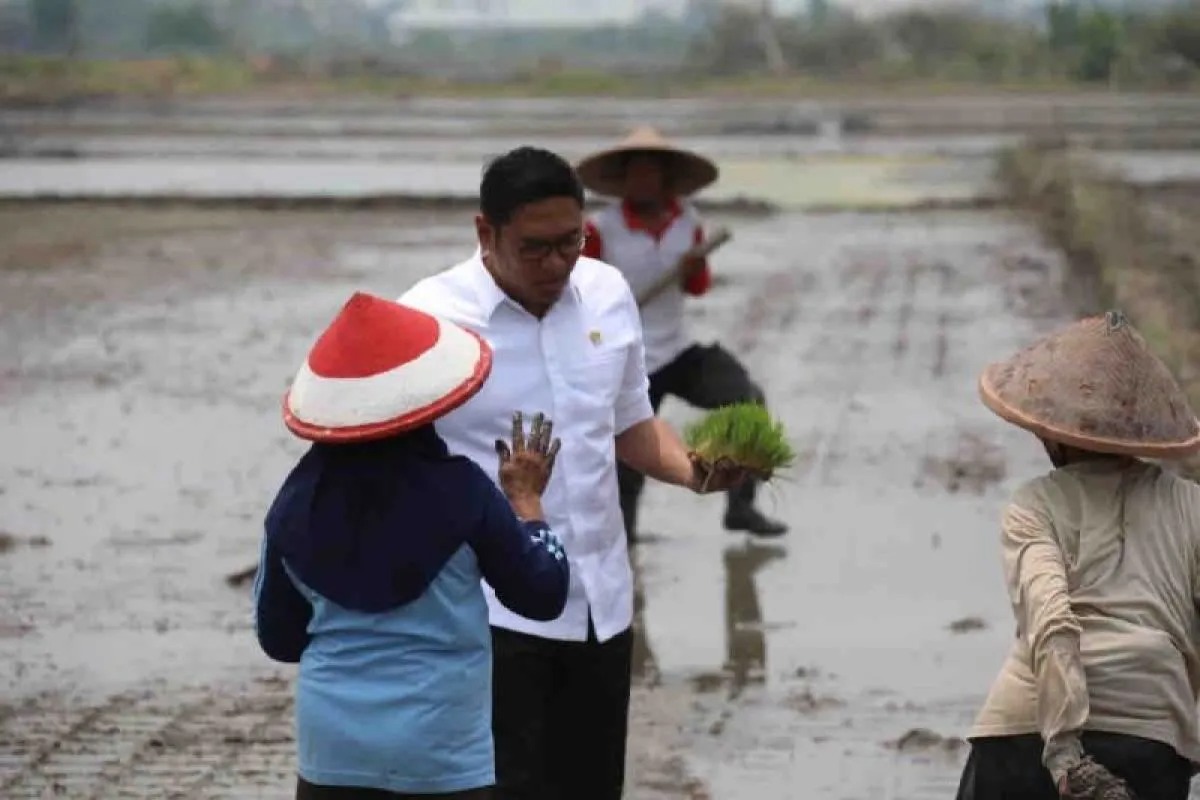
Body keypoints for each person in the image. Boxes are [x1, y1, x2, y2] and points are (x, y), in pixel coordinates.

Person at [399, 146, 752, 800]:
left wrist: (693, 471)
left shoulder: (606, 293)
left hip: (600, 606)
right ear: (486, 232)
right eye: (535, 248)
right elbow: (390, 471)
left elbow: (631, 425)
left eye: (571, 242)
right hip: (488, 618)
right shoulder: (431, 320)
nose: (558, 264)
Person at [253, 291, 571, 800]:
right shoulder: (464, 492)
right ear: (424, 407)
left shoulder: (291, 507)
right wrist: (529, 504)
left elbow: (279, 640)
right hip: (441, 753)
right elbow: (542, 593)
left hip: (333, 756)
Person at [957, 310, 1200, 800]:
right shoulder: (1193, 508)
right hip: (1147, 738)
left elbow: (1051, 622)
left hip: (1023, 736)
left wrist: (1068, 758)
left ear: (1052, 435)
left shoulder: (1035, 504)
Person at [576, 126, 788, 541]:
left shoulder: (686, 221)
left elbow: (696, 288)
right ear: (622, 180)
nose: (642, 182)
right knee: (628, 458)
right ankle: (624, 541)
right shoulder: (602, 229)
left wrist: (694, 269)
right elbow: (581, 292)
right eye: (634, 174)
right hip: (627, 357)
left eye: (650, 173)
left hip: (677, 349)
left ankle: (741, 507)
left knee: (747, 401)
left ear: (665, 179)